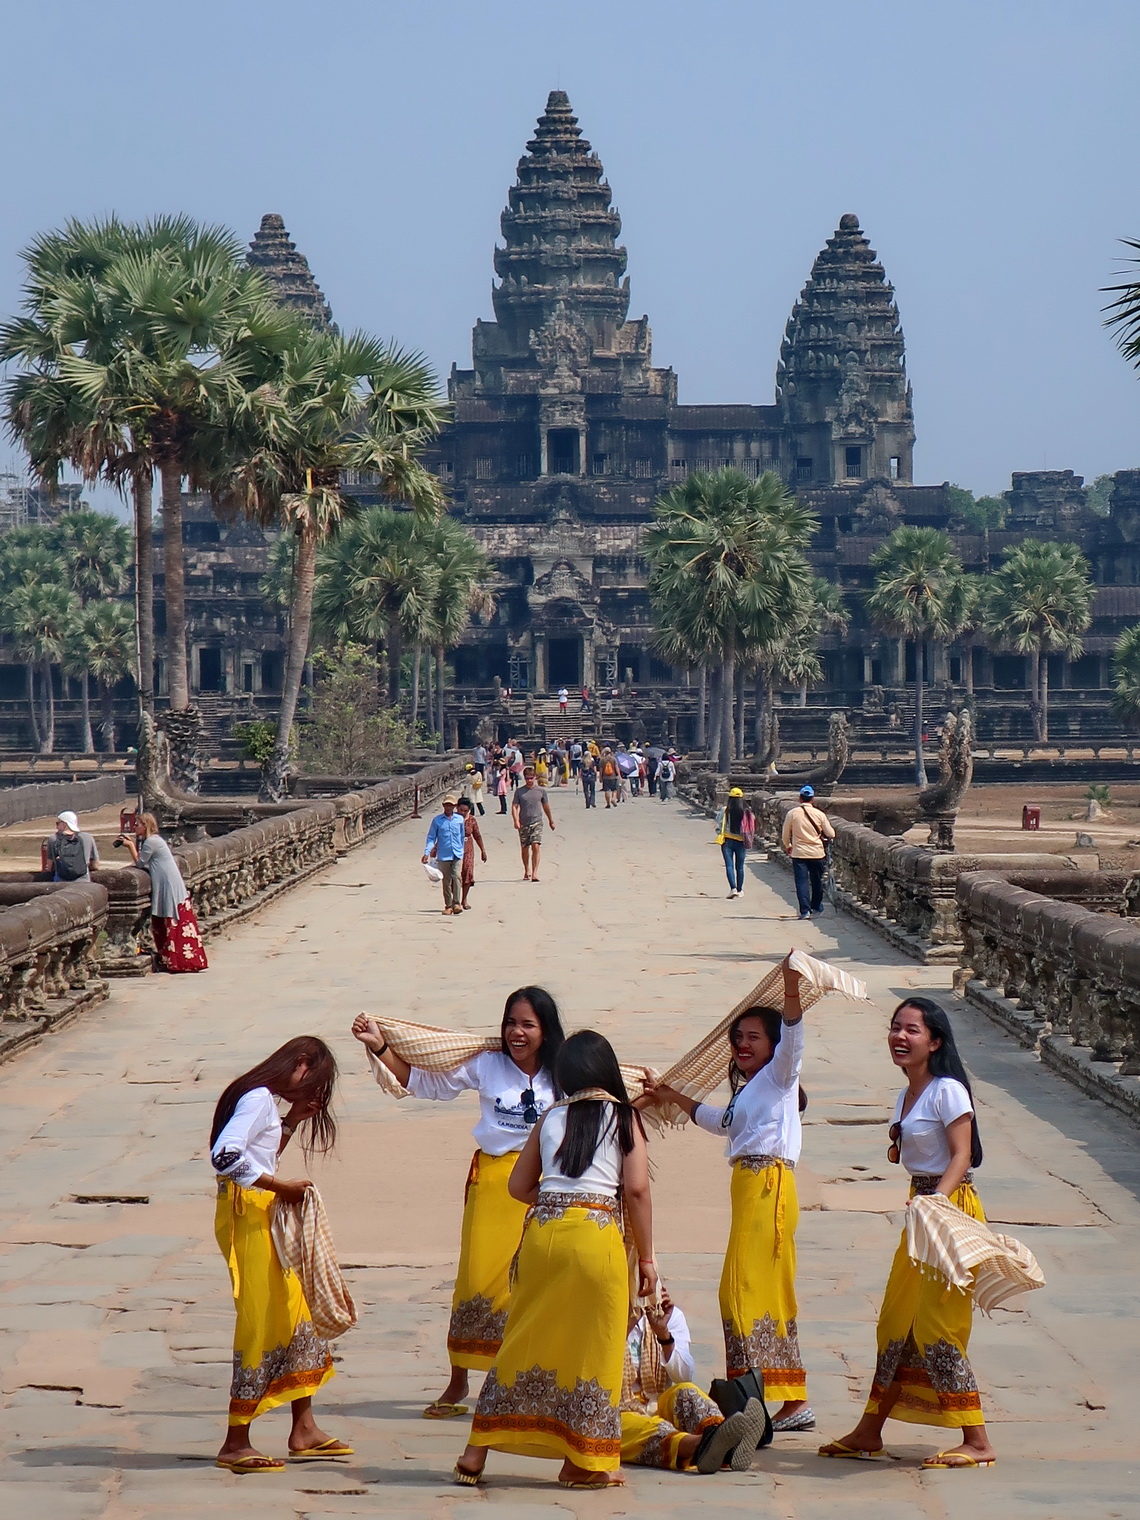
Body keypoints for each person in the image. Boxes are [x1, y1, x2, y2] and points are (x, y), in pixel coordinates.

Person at [455, 1030, 657, 1490]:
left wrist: (554, 1202)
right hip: (595, 1235)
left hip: (543, 1235)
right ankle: (581, 1462)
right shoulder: (624, 1117)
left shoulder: (551, 1115)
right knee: (596, 1345)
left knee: (522, 1339)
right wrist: (646, 1258)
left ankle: (475, 1451)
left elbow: (518, 1187)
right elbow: (638, 1190)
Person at [352, 990, 565, 1419]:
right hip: (493, 1185)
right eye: (510, 1023)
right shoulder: (488, 1065)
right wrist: (380, 1046)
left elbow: (609, 1095)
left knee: (535, 1284)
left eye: (527, 1025)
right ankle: (458, 1380)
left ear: (546, 1031)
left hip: (549, 1188)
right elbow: (425, 1082)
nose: (516, 1033)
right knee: (477, 1280)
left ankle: (524, 1381)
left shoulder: (565, 1072)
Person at [819, 998, 996, 1470]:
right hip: (921, 1210)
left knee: (938, 1324)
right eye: (895, 1028)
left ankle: (977, 1440)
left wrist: (936, 1201)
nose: (900, 1037)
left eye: (912, 1030)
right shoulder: (905, 1095)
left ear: (934, 1041)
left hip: (948, 1209)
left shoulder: (948, 1090)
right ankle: (869, 1430)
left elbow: (962, 1155)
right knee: (896, 1321)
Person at [641, 954, 813, 1432]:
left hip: (769, 1187)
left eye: (753, 1037)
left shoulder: (781, 1076)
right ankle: (769, 1394)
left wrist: (791, 989)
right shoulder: (752, 1092)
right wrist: (669, 1095)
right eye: (738, 1038)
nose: (742, 1045)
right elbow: (719, 1122)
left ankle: (783, 1398)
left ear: (773, 1046)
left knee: (745, 1291)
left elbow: (795, 1037)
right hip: (750, 1188)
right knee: (746, 1291)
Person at [210, 1036, 349, 1473]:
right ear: (300, 1064)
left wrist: (290, 1123)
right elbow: (226, 1156)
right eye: (313, 1084)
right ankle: (236, 1441)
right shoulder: (255, 1098)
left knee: (297, 1314)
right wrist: (281, 1187)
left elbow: (257, 1155)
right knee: (261, 1317)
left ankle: (304, 1428)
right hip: (249, 1217)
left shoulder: (265, 1101)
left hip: (260, 1213)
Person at [620, 1286, 767, 1474]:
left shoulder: (669, 1315)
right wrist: (626, 1325)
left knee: (687, 1390)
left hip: (655, 1403)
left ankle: (718, 1433)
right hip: (617, 1411)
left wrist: (664, 1335)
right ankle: (706, 1445)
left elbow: (683, 1376)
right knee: (642, 1428)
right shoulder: (597, 1316)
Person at [116, 812, 208, 972]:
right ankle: (176, 959)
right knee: (171, 918)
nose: (135, 827)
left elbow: (139, 864)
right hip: (168, 880)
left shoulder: (151, 842)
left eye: (137, 824)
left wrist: (130, 846)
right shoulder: (154, 840)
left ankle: (179, 960)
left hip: (167, 883)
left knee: (171, 918)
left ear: (145, 826)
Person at [781, 785, 835, 920]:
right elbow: (831, 833)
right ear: (812, 799)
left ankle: (805, 910)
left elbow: (785, 834)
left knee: (801, 882)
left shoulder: (792, 813)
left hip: (799, 853)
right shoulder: (819, 814)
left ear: (800, 798)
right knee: (817, 881)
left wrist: (788, 845)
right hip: (817, 853)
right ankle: (816, 905)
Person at [423, 794, 466, 916]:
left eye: (451, 806)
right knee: (446, 880)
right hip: (444, 854)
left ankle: (457, 903)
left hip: (457, 853)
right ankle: (448, 905)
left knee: (457, 877)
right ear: (443, 806)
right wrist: (427, 852)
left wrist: (461, 849)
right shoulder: (437, 821)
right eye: (446, 805)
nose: (448, 808)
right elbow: (431, 837)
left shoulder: (459, 820)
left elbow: (462, 836)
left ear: (454, 806)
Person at [512, 765, 555, 882]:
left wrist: (551, 820)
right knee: (525, 847)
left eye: (531, 778)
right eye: (527, 778)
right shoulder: (519, 791)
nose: (529, 780)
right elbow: (514, 806)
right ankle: (527, 869)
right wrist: (515, 820)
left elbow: (546, 806)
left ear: (535, 777)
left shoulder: (541, 791)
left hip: (537, 821)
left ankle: (535, 872)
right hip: (523, 823)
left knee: (536, 845)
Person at [42, 809, 99, 882]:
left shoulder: (53, 839)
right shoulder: (87, 837)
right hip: (84, 883)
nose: (56, 827)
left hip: (61, 884)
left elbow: (49, 867)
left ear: (64, 824)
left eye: (57, 824)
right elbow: (95, 865)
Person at [455, 797, 487, 910]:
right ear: (457, 808)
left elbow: (477, 835)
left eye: (465, 811)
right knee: (455, 875)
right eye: (461, 810)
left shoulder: (472, 820)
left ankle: (464, 899)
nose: (463, 813)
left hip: (468, 848)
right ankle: (455, 900)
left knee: (467, 872)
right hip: (454, 849)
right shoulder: (452, 819)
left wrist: (483, 850)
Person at [719, 787, 748, 899]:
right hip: (741, 841)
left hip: (727, 841)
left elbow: (719, 824)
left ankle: (733, 888)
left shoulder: (725, 810)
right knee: (740, 867)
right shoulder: (746, 812)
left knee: (729, 866)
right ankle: (740, 890)